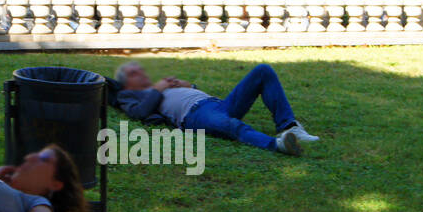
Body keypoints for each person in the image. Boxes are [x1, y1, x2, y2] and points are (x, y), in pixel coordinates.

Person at [110, 62, 319, 156]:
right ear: (127, 82)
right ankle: (278, 145)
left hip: (217, 104)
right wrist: (157, 89)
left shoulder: (159, 87)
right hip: (194, 115)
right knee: (229, 125)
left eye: (140, 69)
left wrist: (189, 86)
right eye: (134, 73)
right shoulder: (128, 95)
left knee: (263, 71)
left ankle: (290, 126)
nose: (142, 73)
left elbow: (195, 94)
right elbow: (138, 113)